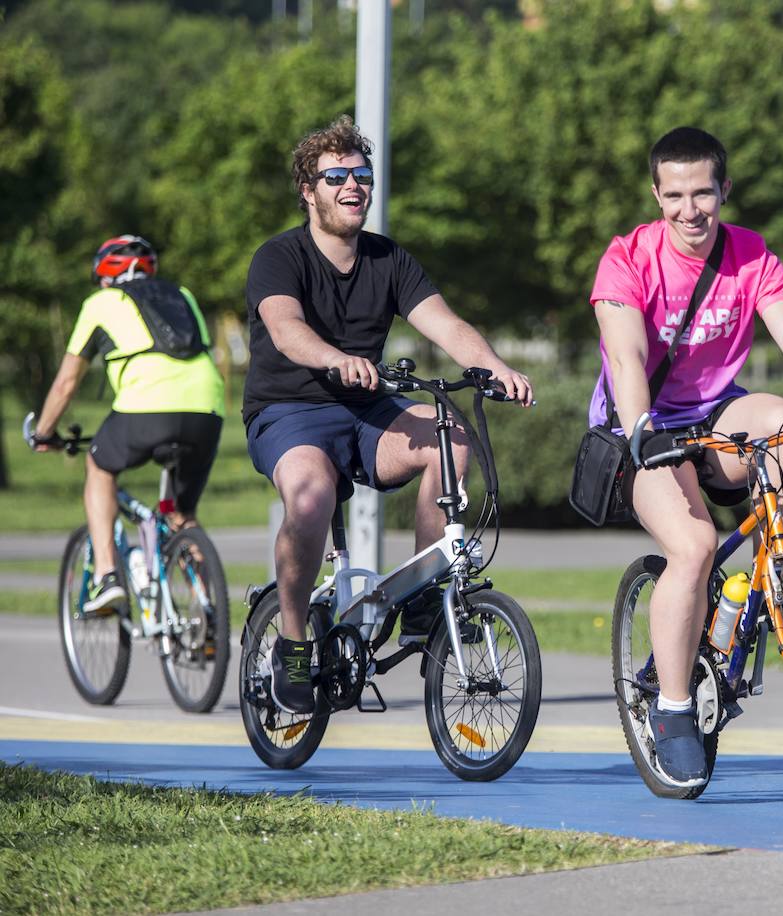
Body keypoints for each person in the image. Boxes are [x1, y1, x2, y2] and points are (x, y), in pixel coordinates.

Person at [591, 126, 783, 786]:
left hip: (716, 415)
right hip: (645, 427)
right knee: (691, 545)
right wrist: (642, 431)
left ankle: (776, 577)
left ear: (725, 189)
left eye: (704, 193)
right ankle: (674, 706)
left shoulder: (750, 255)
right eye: (676, 195)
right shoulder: (628, 258)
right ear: (657, 194)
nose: (691, 210)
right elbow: (626, 354)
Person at [243, 115, 532, 716]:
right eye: (337, 176)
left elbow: (445, 323)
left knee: (451, 437)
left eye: (363, 175)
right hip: (289, 411)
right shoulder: (278, 256)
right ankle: (294, 639)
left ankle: (425, 601)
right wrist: (336, 359)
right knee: (309, 498)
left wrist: (494, 366)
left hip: (366, 411)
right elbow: (286, 329)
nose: (353, 186)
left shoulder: (389, 259)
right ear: (308, 190)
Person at [29, 235, 225, 612]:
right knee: (182, 516)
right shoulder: (183, 295)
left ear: (105, 275)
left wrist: (43, 432)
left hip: (146, 406)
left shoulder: (100, 303)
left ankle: (107, 576)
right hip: (207, 408)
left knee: (99, 466)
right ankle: (209, 616)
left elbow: (67, 382)